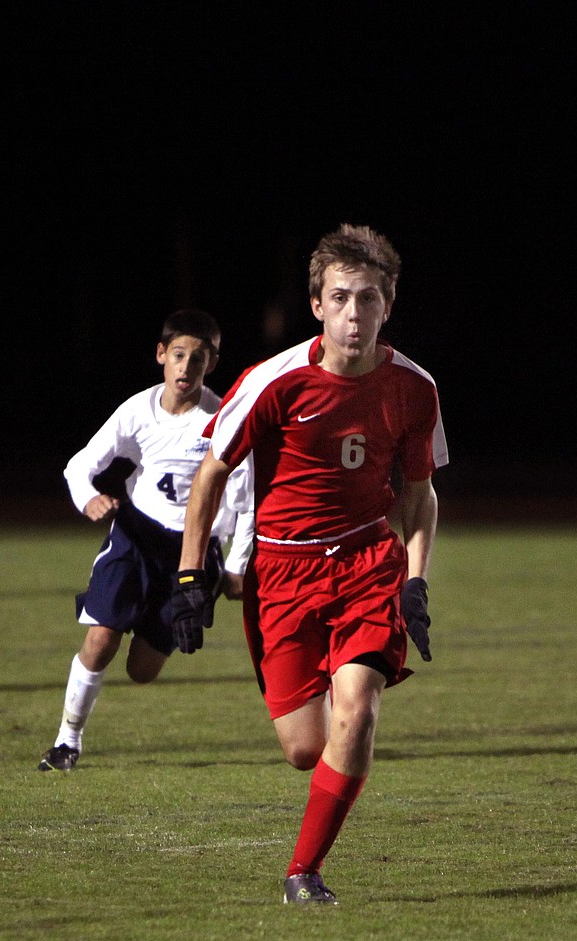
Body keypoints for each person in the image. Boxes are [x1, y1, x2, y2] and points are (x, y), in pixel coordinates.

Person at [172, 224, 448, 903]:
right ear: (318, 305)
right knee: (304, 748)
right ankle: (336, 686)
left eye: (370, 300)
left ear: (389, 306)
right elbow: (210, 476)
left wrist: (414, 579)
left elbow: (419, 495)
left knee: (359, 709)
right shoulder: (273, 381)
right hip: (283, 572)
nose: (356, 315)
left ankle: (304, 871)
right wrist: (189, 573)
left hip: (364, 563)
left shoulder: (414, 388)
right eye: (342, 298)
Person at [38, 309, 254, 771]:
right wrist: (89, 499)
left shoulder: (224, 419)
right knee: (100, 638)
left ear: (212, 364)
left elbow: (247, 499)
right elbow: (79, 466)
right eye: (178, 354)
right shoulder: (137, 410)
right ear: (161, 355)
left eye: (198, 358)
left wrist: (236, 565)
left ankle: (152, 625)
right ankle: (66, 742)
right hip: (136, 538)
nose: (186, 367)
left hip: (193, 557)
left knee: (141, 671)